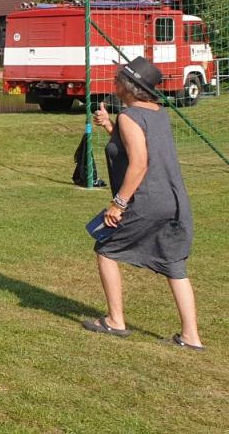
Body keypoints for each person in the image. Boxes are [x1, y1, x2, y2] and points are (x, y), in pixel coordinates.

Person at [82, 57, 203, 350]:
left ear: (128, 86)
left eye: (118, 79)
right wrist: (109, 126)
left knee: (106, 249)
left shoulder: (129, 116)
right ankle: (191, 337)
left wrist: (119, 203)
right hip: (173, 199)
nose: (114, 82)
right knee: (173, 264)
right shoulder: (158, 113)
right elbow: (136, 145)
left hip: (147, 200)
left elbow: (139, 164)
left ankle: (115, 321)